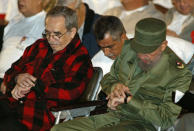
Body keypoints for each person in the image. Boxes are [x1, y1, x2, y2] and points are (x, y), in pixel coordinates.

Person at [51, 18, 192, 131]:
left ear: (163, 45)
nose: (142, 56)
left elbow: (165, 119)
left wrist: (129, 101)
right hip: (113, 115)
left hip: (142, 123)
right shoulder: (129, 48)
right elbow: (108, 78)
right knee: (59, 129)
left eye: (148, 52)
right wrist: (114, 87)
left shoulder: (179, 74)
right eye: (139, 49)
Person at [0, 6, 94, 131]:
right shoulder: (39, 46)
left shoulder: (80, 58)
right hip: (11, 106)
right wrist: (18, 78)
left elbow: (70, 93)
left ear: (72, 32)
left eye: (57, 34)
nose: (50, 39)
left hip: (37, 117)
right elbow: (10, 72)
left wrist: (34, 85)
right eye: (47, 33)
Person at [0, 0, 48, 84]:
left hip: (19, 83)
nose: (20, 1)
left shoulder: (47, 22)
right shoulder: (14, 20)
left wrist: (11, 80)